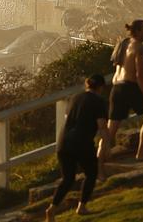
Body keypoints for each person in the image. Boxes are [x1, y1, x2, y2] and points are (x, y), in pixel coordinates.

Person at [46, 74, 109, 221]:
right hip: (81, 142)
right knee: (91, 173)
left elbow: (69, 119)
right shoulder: (98, 101)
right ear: (100, 87)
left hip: (63, 142)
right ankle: (82, 207)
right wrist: (107, 145)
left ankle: (52, 209)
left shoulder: (75, 97)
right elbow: (102, 126)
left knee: (68, 179)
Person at [101, 19, 143, 163]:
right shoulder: (140, 48)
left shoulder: (123, 43)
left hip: (116, 87)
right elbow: (140, 75)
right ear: (138, 31)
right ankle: (141, 152)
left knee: (111, 129)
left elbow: (116, 64)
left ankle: (98, 160)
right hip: (129, 86)